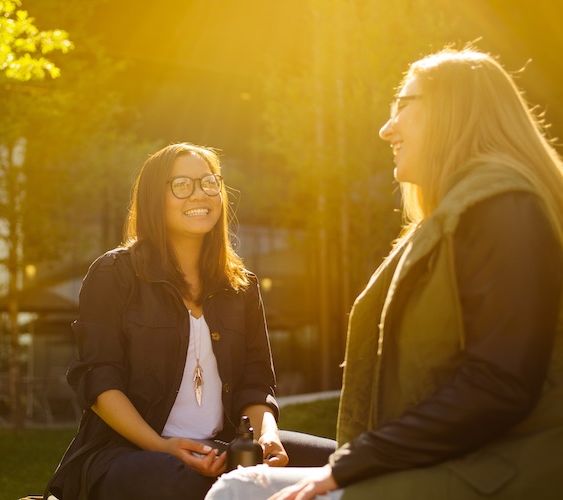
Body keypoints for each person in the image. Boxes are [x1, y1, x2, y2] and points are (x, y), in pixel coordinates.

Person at [206, 46, 563, 499]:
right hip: (458, 463)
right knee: (240, 485)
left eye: (402, 106)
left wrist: (349, 466)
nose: (385, 128)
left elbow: (500, 382)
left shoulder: (503, 207)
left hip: (503, 473)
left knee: (240, 494)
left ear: (452, 110)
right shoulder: (462, 212)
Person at [44, 143, 336, 500]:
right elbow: (99, 380)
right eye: (181, 185)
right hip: (126, 452)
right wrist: (161, 446)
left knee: (342, 463)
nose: (200, 194)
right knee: (183, 481)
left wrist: (266, 436)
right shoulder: (114, 273)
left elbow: (256, 381)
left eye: (209, 182)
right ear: (155, 198)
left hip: (224, 446)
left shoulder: (240, 285)